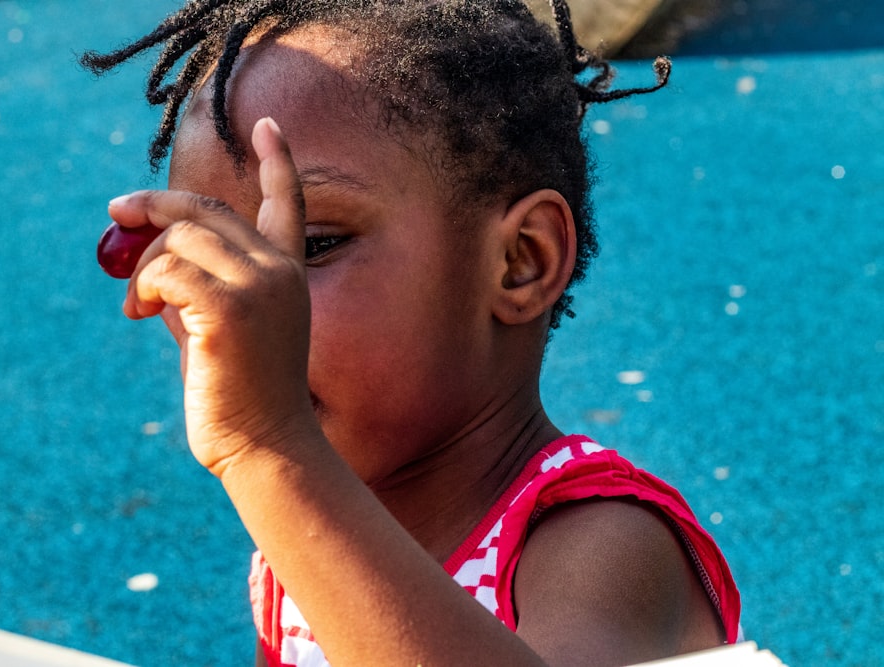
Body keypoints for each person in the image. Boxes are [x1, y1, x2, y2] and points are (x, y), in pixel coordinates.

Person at [82, 1, 740, 665]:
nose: (252, 305)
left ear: (521, 260)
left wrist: (266, 447)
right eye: (211, 260)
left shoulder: (603, 544)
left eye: (313, 244)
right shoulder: (306, 515)